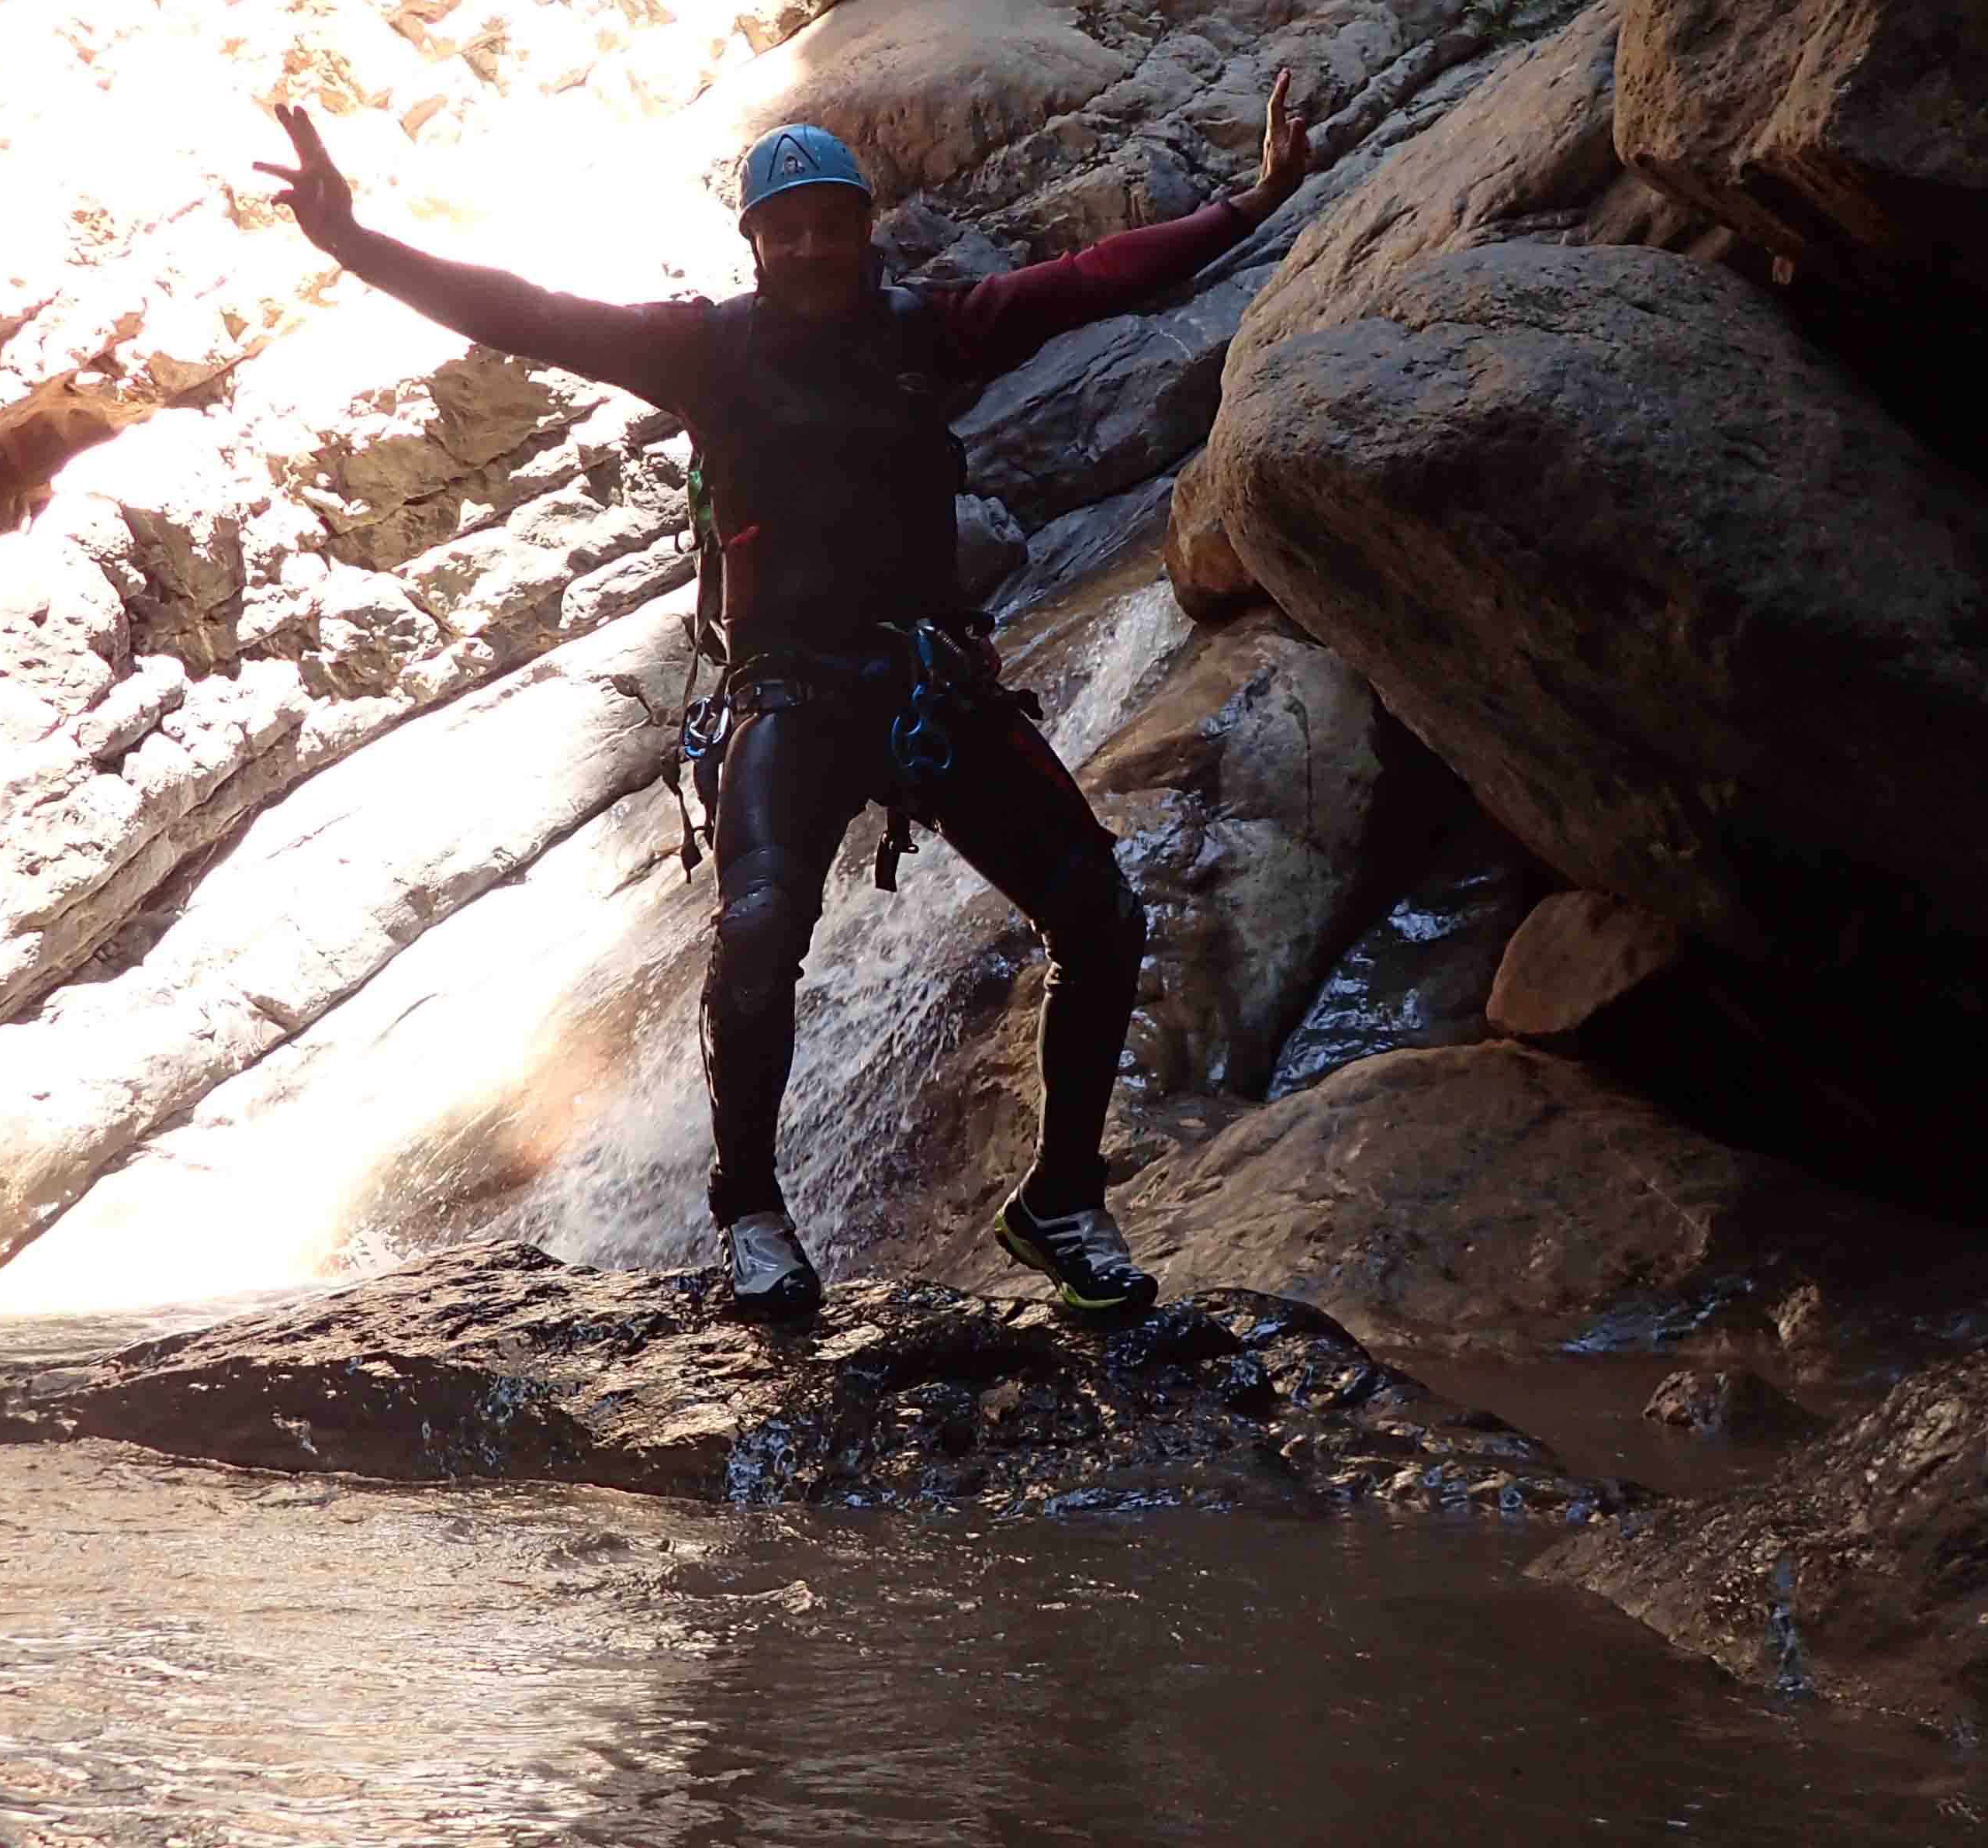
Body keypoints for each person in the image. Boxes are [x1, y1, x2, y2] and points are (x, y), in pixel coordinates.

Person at [253, 74, 1312, 1320]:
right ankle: (750, 1211)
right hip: (789, 696)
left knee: (1100, 917)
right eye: (786, 229)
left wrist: (1255, 203)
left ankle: (1063, 1203)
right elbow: (525, 314)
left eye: (829, 224)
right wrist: (354, 241)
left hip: (925, 683)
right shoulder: (701, 350)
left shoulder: (927, 330)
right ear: (755, 244)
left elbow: (1086, 280)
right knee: (756, 934)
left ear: (864, 230)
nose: (810, 247)